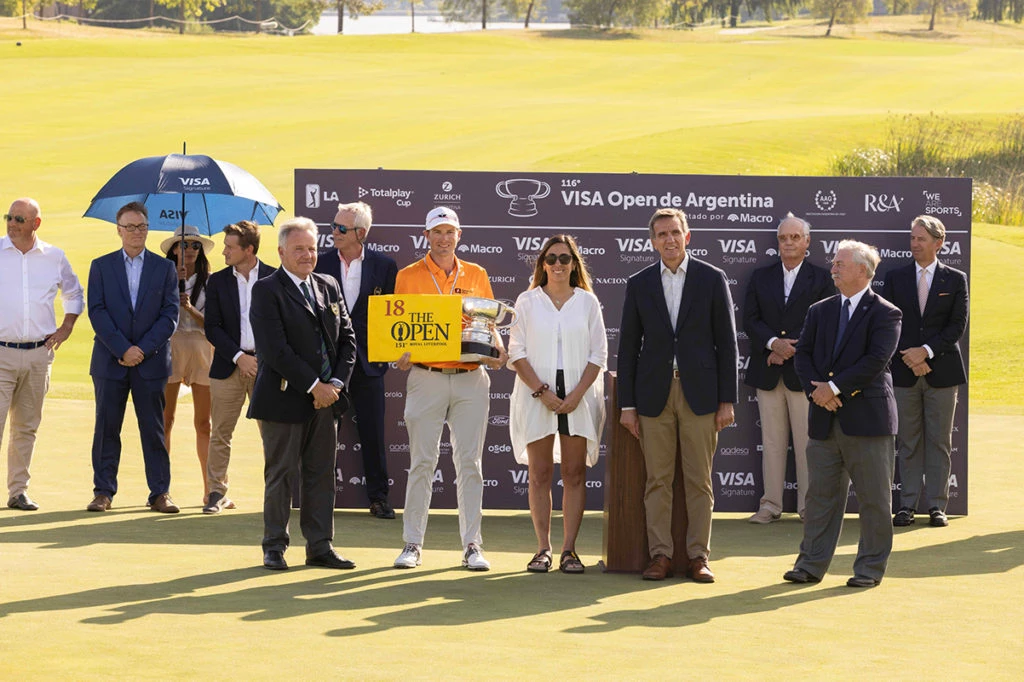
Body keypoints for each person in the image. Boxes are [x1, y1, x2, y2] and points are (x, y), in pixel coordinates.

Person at [618, 208, 738, 583]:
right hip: (653, 395)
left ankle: (698, 556)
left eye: (674, 232)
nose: (668, 240)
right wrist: (627, 405)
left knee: (699, 480)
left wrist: (727, 400)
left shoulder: (711, 278)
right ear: (652, 241)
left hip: (700, 394)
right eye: (661, 234)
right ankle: (660, 556)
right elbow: (628, 348)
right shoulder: (639, 283)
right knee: (658, 480)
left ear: (688, 236)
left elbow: (727, 343)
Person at [392, 207, 507, 572]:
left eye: (450, 232)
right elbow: (400, 328)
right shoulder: (408, 276)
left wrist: (498, 347)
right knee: (422, 462)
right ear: (425, 235)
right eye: (437, 232)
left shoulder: (477, 273)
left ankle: (472, 545)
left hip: (471, 376)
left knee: (470, 463)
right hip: (426, 376)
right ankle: (412, 543)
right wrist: (400, 354)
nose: (444, 238)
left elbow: (486, 325)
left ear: (460, 235)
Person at [784, 240, 901, 588]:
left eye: (840, 264)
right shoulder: (819, 310)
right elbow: (803, 356)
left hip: (867, 422)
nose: (832, 268)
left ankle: (869, 569)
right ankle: (810, 565)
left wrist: (833, 390)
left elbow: (874, 362)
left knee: (874, 500)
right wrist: (817, 392)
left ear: (863, 271)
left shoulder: (886, 312)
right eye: (833, 263)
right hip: (824, 421)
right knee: (819, 497)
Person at [248, 217, 357, 571]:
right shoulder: (266, 290)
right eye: (299, 249)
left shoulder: (328, 285)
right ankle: (274, 546)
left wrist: (335, 386)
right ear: (281, 252)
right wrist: (315, 387)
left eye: (311, 248)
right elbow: (275, 350)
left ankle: (320, 546)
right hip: (284, 399)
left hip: (327, 401)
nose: (307, 255)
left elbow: (348, 342)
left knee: (321, 474)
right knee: (280, 475)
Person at [507, 235, 607, 574]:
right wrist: (541, 392)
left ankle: (569, 551)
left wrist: (577, 395)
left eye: (565, 258)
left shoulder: (588, 302)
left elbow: (599, 355)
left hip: (579, 394)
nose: (558, 264)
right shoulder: (526, 300)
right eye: (551, 258)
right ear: (542, 264)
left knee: (574, 473)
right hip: (537, 395)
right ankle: (543, 549)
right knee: (539, 474)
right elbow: (516, 352)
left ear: (575, 264)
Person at [87, 201, 180, 513]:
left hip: (150, 362)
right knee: (107, 428)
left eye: (141, 226)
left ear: (148, 228)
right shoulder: (100, 266)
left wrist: (141, 349)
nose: (136, 232)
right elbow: (97, 312)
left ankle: (159, 493)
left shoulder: (164, 267)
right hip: (110, 362)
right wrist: (122, 348)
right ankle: (103, 492)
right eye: (130, 227)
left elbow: (170, 315)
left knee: (153, 428)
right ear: (119, 230)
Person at [743, 213, 834, 523]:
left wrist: (789, 351)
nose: (789, 243)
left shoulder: (823, 279)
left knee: (807, 442)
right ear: (777, 242)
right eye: (784, 238)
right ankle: (770, 505)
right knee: (771, 442)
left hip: (805, 374)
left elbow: (823, 323)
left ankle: (809, 507)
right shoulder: (760, 277)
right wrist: (772, 345)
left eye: (796, 237)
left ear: (807, 242)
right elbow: (750, 320)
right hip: (768, 372)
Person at [882, 215, 968, 528]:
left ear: (938, 242)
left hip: (942, 372)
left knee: (940, 441)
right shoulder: (895, 277)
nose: (915, 244)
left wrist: (927, 352)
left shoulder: (955, 279)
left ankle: (936, 506)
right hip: (904, 371)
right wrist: (912, 357)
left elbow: (956, 325)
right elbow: (891, 322)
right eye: (912, 238)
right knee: (908, 441)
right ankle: (905, 505)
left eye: (921, 239)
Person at [314, 201, 399, 520]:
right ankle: (320, 498)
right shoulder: (319, 263)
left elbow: (391, 315)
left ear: (360, 233)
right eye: (333, 226)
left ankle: (379, 498)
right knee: (321, 436)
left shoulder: (384, 266)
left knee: (374, 434)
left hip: (368, 364)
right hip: (327, 365)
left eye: (340, 228)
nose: (333, 232)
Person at [1, 198, 83, 511]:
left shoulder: (54, 256)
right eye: (9, 217)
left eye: (19, 219)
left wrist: (67, 327)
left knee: (26, 427)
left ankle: (18, 491)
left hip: (38, 355)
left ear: (36, 223)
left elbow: (74, 293)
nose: (12, 224)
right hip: (1, 353)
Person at [203, 220, 276, 514]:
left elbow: (281, 326)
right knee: (220, 432)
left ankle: (278, 492)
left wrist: (262, 359)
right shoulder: (217, 281)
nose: (223, 252)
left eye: (230, 247)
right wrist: (238, 357)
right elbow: (213, 327)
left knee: (272, 434)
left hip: (266, 368)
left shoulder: (274, 277)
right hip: (228, 366)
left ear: (249, 249)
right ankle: (216, 492)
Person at [161, 225, 215, 507]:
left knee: (203, 423)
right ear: (173, 249)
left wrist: (191, 308)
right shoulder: (163, 276)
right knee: (166, 420)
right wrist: (173, 286)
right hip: (170, 347)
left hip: (202, 348)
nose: (189, 251)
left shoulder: (211, 280)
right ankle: (161, 489)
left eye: (194, 246)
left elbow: (215, 325)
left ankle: (211, 490)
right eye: (183, 245)